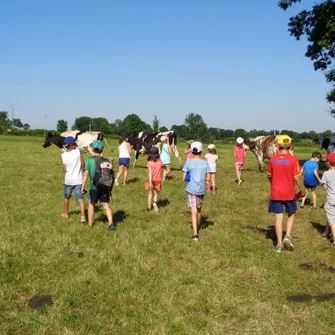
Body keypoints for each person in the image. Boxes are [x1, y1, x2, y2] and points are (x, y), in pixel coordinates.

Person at [266, 135, 306, 252]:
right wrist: (302, 189)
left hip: (276, 192)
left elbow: (269, 175)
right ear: (290, 146)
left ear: (277, 146)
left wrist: (272, 184)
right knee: (291, 213)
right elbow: (297, 177)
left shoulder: (273, 159)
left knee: (279, 217)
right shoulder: (294, 160)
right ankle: (287, 235)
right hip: (289, 192)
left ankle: (279, 245)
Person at [81, 140, 115, 230]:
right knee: (105, 205)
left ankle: (90, 224)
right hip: (104, 186)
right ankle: (111, 223)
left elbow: (86, 174)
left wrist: (83, 186)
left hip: (94, 186)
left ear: (92, 149)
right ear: (102, 150)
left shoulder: (89, 161)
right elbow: (111, 173)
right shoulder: (106, 160)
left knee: (92, 204)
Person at [182, 142, 211, 241]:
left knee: (193, 211)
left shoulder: (189, 162)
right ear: (201, 151)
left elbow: (183, 177)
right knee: (199, 209)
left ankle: (195, 234)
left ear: (192, 151)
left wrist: (188, 177)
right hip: (201, 189)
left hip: (191, 189)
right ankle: (198, 227)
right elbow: (208, 178)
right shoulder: (205, 163)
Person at [61, 136, 86, 222]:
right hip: (78, 180)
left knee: (66, 197)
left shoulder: (63, 155)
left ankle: (66, 213)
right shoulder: (78, 152)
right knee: (81, 198)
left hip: (68, 180)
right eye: (75, 143)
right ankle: (83, 216)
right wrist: (83, 172)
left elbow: (64, 169)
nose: (76, 144)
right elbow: (83, 164)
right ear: (71, 145)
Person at [321, 153, 335, 245]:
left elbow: (324, 187)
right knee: (331, 217)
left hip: (332, 200)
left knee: (332, 219)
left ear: (328, 163)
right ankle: (326, 233)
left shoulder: (326, 173)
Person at [145, 147, 163, 212]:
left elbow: (150, 173)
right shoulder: (160, 162)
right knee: (155, 193)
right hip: (158, 180)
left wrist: (150, 182)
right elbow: (162, 169)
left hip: (151, 180)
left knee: (150, 194)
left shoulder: (149, 163)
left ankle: (149, 208)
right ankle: (155, 203)